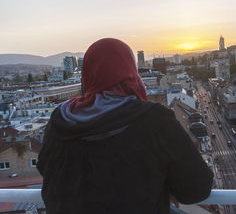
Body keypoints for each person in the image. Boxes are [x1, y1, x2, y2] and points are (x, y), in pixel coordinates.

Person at [37, 38, 213, 214]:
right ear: (130, 73)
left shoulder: (60, 119)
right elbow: (197, 189)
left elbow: (46, 169)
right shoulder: (154, 119)